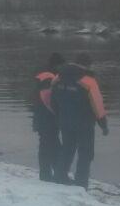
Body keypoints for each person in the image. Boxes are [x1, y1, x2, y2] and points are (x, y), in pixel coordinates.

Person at [52, 52, 108, 188]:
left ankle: (59, 177)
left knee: (67, 149)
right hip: (84, 123)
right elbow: (97, 105)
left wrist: (58, 116)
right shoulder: (89, 81)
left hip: (65, 121)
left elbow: (52, 100)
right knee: (85, 153)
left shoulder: (58, 77)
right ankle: (81, 184)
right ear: (88, 65)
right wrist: (103, 125)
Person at [32, 53, 65, 182]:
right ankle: (52, 175)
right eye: (61, 65)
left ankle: (49, 174)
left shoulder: (43, 75)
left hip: (40, 117)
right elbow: (47, 99)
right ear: (57, 65)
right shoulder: (49, 77)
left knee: (48, 145)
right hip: (47, 118)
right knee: (52, 146)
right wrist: (58, 113)